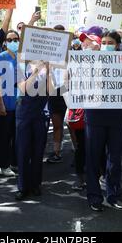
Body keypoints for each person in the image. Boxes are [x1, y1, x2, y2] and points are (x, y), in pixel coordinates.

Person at [84, 12, 122, 212]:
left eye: (111, 42)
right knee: (93, 158)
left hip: (117, 118)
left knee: (115, 159)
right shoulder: (90, 60)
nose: (107, 44)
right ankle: (94, 196)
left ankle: (113, 194)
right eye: (104, 41)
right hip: (95, 117)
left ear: (117, 45)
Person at [14, 59, 51, 200]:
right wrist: (36, 71)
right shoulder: (22, 66)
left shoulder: (50, 67)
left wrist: (48, 71)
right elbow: (23, 88)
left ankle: (36, 184)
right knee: (23, 151)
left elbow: (51, 90)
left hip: (41, 113)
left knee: (38, 151)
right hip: (24, 113)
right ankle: (22, 187)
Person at [0, 30, 20, 176]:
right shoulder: (1, 57)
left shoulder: (22, 57)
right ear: (5, 42)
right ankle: (3, 165)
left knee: (16, 135)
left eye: (15, 39)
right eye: (9, 40)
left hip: (19, 101)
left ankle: (14, 162)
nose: (13, 42)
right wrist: (1, 103)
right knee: (4, 135)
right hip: (5, 100)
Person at [46, 24, 68, 163]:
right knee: (57, 124)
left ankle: (78, 153)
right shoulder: (47, 53)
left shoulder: (71, 53)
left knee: (73, 125)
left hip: (68, 92)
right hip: (54, 92)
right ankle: (56, 152)